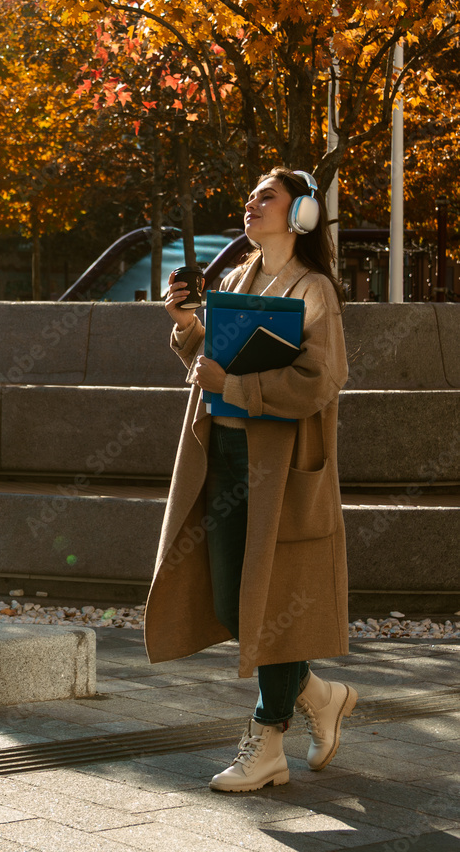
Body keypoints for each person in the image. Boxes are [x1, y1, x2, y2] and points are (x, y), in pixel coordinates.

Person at [144, 167, 358, 793]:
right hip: (225, 461)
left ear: (303, 215)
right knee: (232, 601)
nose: (251, 204)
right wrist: (188, 326)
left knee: (271, 603)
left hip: (284, 469)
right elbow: (214, 358)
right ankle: (321, 694)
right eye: (250, 197)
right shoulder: (236, 278)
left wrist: (234, 385)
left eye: (267, 196)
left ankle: (267, 743)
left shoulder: (314, 288)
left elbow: (322, 381)